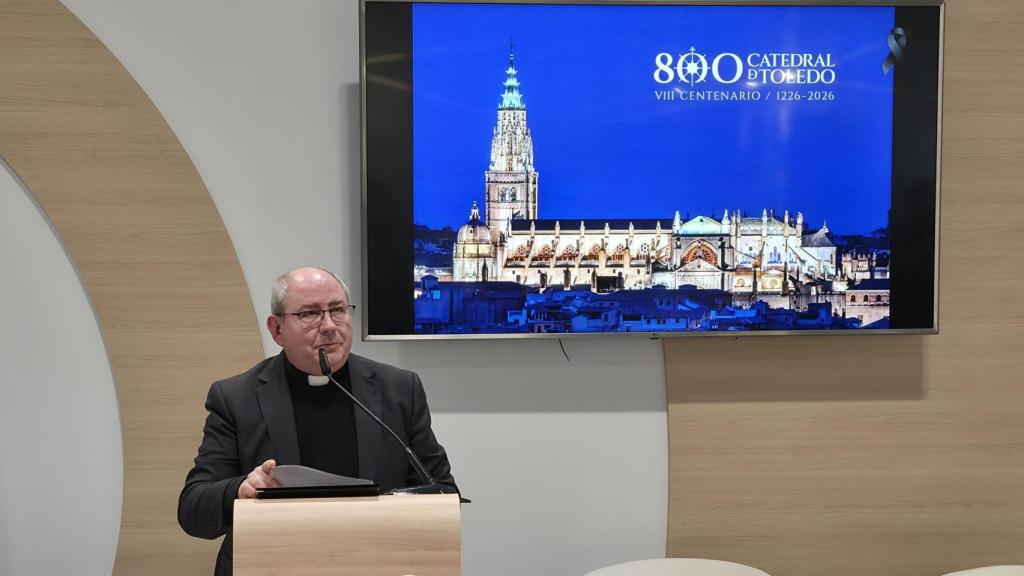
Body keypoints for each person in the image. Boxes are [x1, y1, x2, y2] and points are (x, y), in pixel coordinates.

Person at [178, 267, 456, 575]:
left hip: (376, 564)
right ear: (277, 329)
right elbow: (193, 508)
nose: (328, 326)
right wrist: (240, 489)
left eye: (337, 310)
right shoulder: (235, 398)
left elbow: (443, 492)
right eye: (309, 314)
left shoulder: (399, 390)